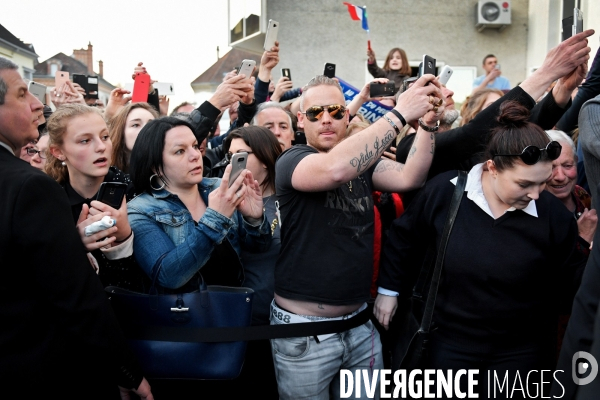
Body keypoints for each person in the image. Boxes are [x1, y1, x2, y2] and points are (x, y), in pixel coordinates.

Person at [375, 101, 586, 397]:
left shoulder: (552, 215)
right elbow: (404, 238)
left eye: (542, 183)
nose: (536, 194)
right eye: (525, 184)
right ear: (493, 168)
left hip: (522, 353)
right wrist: (389, 290)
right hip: (449, 345)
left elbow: (569, 280)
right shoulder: (446, 192)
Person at [271, 73, 444, 399]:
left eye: (336, 111)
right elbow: (335, 169)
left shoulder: (362, 164)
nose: (326, 119)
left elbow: (411, 176)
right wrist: (400, 113)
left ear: (347, 115)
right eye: (315, 113)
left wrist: (428, 125)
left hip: (359, 325)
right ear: (300, 120)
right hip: (305, 332)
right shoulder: (292, 160)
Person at [0, 57, 152, 399]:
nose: (100, 146)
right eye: (84, 141)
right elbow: (71, 294)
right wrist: (74, 244)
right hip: (57, 362)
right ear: (58, 152)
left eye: (103, 136)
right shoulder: (36, 192)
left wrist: (124, 238)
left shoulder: (137, 193)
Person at [127, 117, 271, 289]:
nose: (196, 155)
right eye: (180, 151)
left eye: (195, 146)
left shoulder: (219, 188)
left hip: (236, 306)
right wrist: (216, 219)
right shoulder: (139, 211)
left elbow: (258, 247)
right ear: (155, 166)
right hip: (184, 313)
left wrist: (254, 220)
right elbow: (168, 276)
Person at [109, 102, 159, 173]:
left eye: (151, 125)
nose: (146, 129)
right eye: (136, 125)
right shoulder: (106, 175)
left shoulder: (167, 173)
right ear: (121, 133)